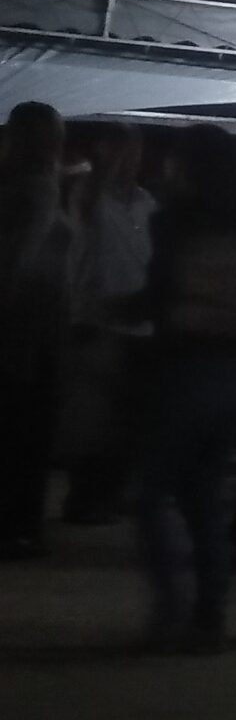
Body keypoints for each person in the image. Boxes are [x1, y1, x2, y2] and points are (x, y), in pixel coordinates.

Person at [134, 125, 236, 651]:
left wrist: (106, 306)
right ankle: (210, 615)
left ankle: (171, 608)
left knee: (152, 494)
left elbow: (158, 295)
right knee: (205, 498)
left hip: (185, 368)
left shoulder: (174, 220)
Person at [59, 123, 153, 526]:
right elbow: (84, 214)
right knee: (92, 419)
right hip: (96, 319)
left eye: (135, 150)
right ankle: (84, 498)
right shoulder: (89, 194)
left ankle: (110, 493)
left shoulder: (147, 202)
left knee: (126, 417)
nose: (130, 159)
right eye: (121, 149)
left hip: (138, 322)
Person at [0, 101, 75, 560]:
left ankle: (16, 524)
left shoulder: (16, 185)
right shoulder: (40, 188)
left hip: (24, 325)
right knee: (28, 429)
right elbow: (21, 260)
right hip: (31, 327)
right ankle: (19, 527)